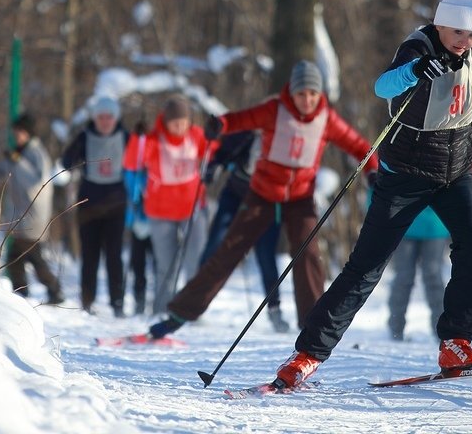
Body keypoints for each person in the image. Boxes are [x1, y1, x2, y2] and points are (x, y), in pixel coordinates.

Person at [268, 0, 472, 390]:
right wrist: (417, 70)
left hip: (455, 170)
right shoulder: (419, 45)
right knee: (367, 266)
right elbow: (383, 85)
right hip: (406, 173)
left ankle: (456, 342)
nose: (464, 41)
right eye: (457, 32)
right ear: (440, 23)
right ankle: (308, 354)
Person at [146, 60, 375, 340]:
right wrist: (220, 125)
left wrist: (373, 170)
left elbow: (360, 146)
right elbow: (239, 120)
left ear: (319, 95)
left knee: (308, 255)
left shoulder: (326, 118)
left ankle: (314, 326)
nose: (307, 100)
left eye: (312, 94)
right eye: (302, 93)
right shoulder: (275, 110)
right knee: (228, 250)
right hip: (263, 195)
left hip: (300, 199)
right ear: (292, 91)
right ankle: (180, 313)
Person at [125, 95, 214, 316]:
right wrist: (138, 137)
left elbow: (213, 151)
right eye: (175, 122)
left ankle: (192, 309)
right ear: (166, 121)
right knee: (166, 265)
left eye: (183, 122)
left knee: (196, 260)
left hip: (192, 209)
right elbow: (131, 161)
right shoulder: (154, 139)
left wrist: (216, 134)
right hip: (160, 211)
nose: (179, 127)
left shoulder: (195, 135)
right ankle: (163, 310)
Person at [199, 129, 290, 333]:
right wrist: (214, 168)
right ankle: (194, 301)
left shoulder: (287, 139)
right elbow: (222, 153)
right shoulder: (248, 133)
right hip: (236, 194)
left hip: (265, 202)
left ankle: (275, 310)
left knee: (266, 256)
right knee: (215, 245)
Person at [59, 95, 134, 316]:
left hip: (116, 204)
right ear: (95, 118)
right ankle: (87, 301)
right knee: (89, 256)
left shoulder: (126, 137)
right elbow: (66, 162)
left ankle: (117, 303)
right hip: (89, 203)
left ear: (115, 118)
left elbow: (142, 159)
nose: (105, 121)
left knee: (114, 255)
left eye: (109, 117)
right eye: (101, 117)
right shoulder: (84, 137)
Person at [0, 113, 65, 305]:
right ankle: (27, 294)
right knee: (21, 257)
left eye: (21, 132)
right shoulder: (20, 151)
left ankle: (45, 291)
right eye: (16, 132)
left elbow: (35, 182)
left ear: (29, 132)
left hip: (33, 215)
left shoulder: (36, 153)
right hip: (22, 214)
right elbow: (3, 172)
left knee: (28, 256)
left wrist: (17, 160)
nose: (17, 136)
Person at [384, 206, 449, 341]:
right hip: (405, 224)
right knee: (405, 277)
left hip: (435, 225)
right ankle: (396, 330)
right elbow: (374, 188)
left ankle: (441, 331)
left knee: (432, 276)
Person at [124, 121, 155, 316]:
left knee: (160, 265)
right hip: (138, 220)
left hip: (156, 221)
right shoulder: (132, 170)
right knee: (138, 264)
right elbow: (129, 183)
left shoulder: (155, 166)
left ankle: (161, 303)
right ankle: (139, 301)